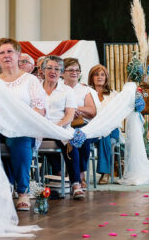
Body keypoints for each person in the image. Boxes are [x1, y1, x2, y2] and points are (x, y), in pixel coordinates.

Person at [0, 37, 46, 211]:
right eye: (2, 52)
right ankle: (2, 187)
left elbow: (39, 108)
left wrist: (21, 122)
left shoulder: (30, 80)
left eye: (10, 52)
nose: (6, 55)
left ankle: (23, 190)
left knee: (20, 138)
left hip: (24, 127)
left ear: (18, 55)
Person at [41, 55, 85, 199]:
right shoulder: (35, 88)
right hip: (38, 128)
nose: (52, 71)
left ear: (61, 73)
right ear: (43, 70)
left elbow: (69, 116)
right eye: (49, 68)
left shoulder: (67, 90)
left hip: (60, 128)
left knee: (70, 140)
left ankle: (75, 184)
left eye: (56, 69)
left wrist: (55, 127)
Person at [63, 58, 97, 188]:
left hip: (81, 123)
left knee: (83, 136)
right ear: (63, 72)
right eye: (70, 70)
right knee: (68, 137)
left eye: (77, 70)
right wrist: (69, 112)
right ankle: (60, 175)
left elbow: (92, 111)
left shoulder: (84, 90)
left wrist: (76, 110)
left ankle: (81, 175)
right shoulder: (59, 88)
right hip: (64, 123)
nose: (74, 72)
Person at [88, 64, 120, 184]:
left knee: (104, 133)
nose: (99, 77)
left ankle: (105, 172)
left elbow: (118, 114)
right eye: (96, 74)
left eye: (102, 75)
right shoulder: (87, 93)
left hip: (112, 129)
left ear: (106, 77)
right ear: (91, 77)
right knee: (101, 133)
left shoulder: (113, 94)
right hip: (92, 128)